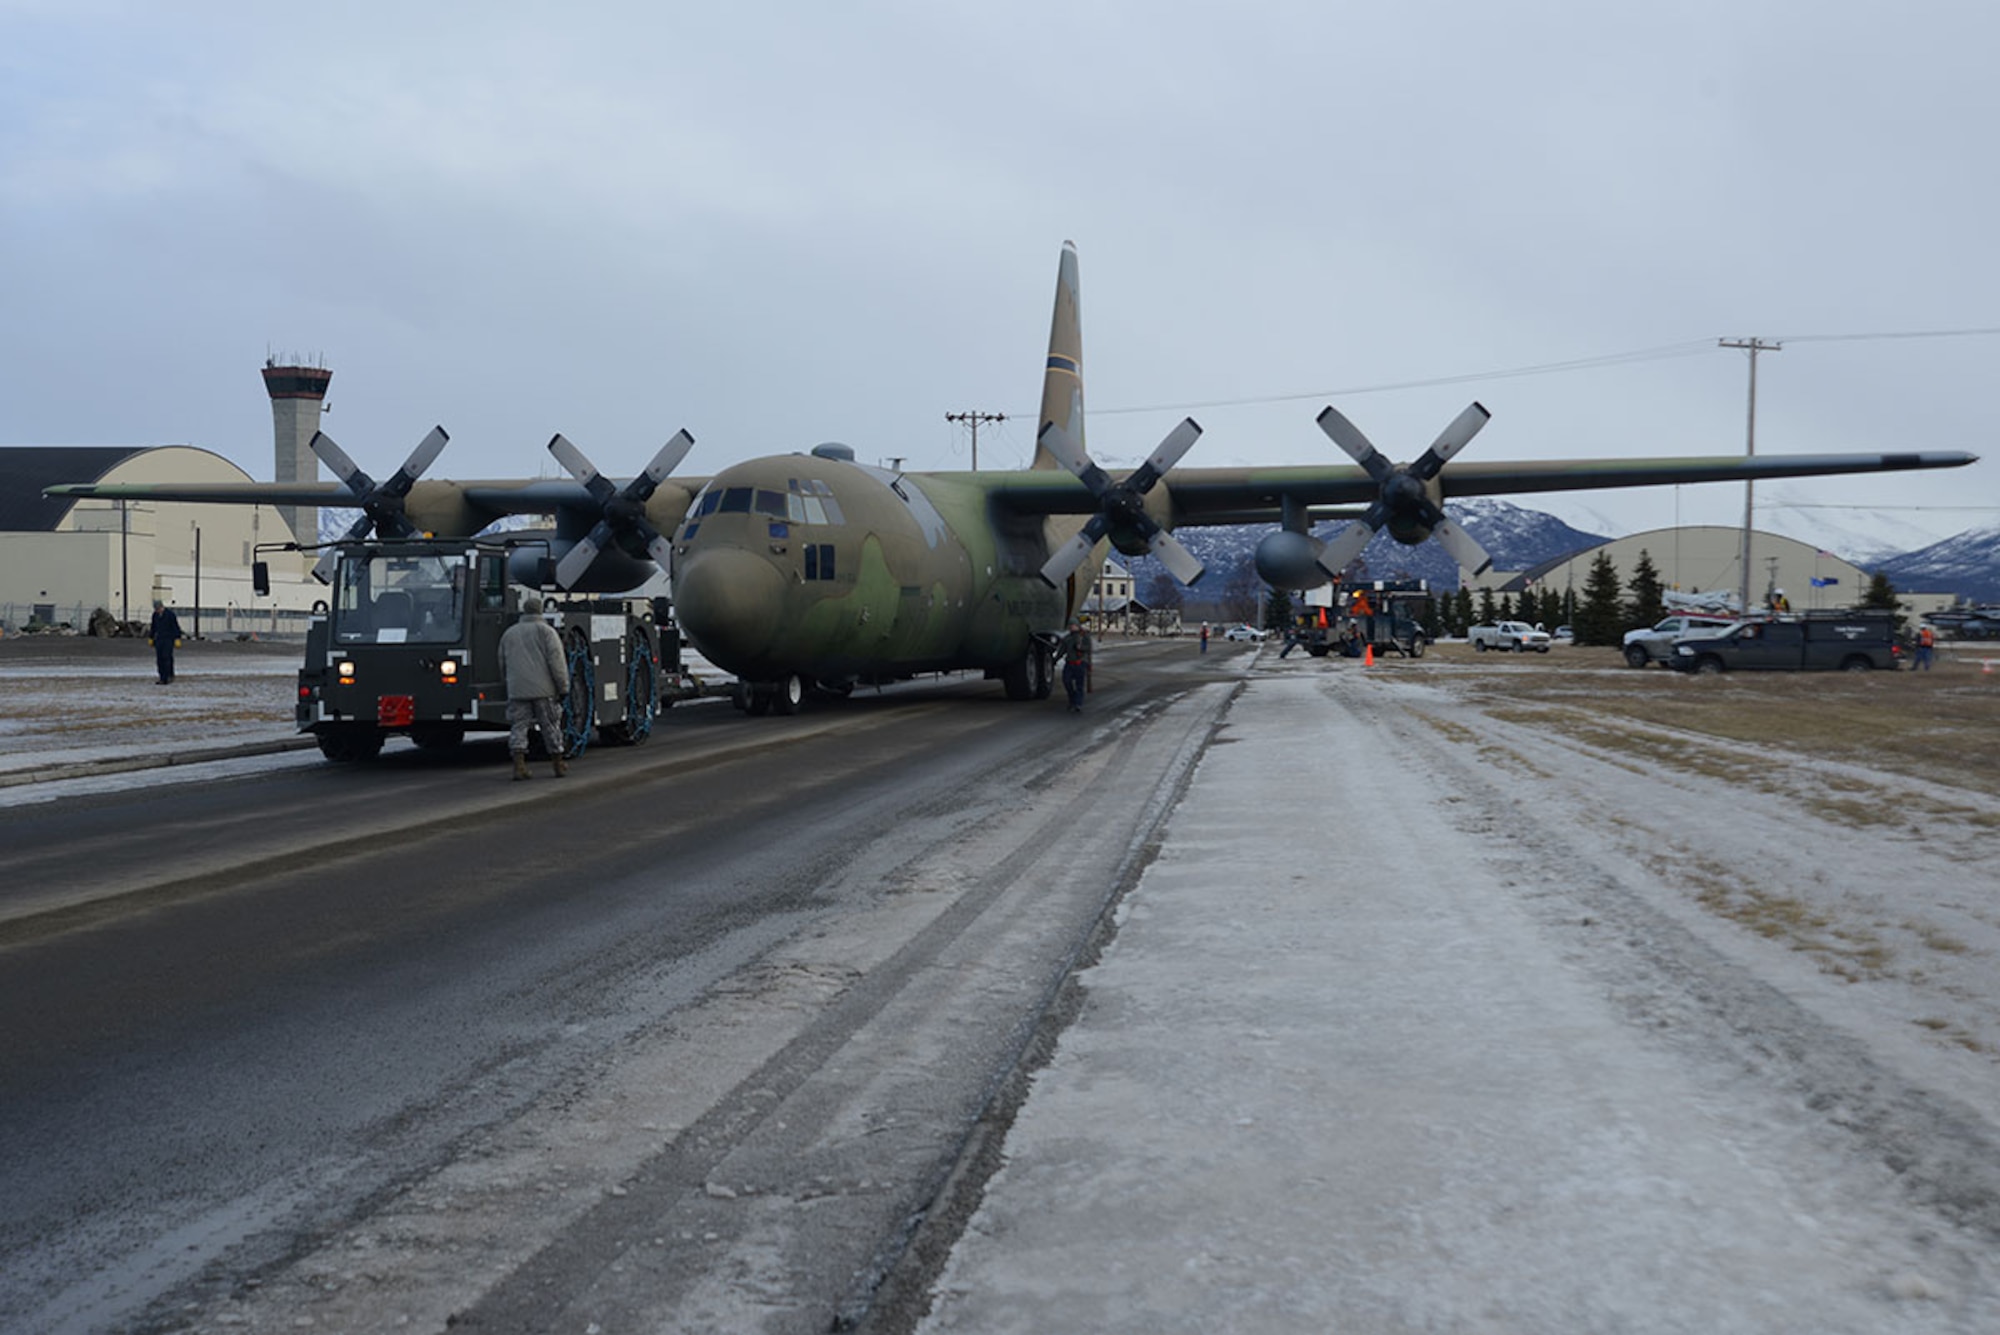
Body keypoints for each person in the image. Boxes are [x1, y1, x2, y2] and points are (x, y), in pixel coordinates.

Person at [497, 594, 572, 779]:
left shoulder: (509, 633)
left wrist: (508, 683)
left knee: (519, 727)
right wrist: (563, 688)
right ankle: (558, 764)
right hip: (544, 690)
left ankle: (519, 765)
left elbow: (501, 663)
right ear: (540, 611)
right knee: (550, 726)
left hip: (517, 689)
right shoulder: (547, 632)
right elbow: (557, 663)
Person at [1057, 617, 1092, 712]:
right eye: (1070, 626)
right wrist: (1055, 659)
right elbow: (1062, 650)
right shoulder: (1067, 638)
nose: (1072, 627)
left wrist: (1080, 648)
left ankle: (1078, 703)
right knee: (1066, 681)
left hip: (1080, 663)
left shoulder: (1083, 636)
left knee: (1079, 685)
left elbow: (1088, 648)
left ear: (1077, 626)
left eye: (1073, 625)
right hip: (1069, 663)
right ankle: (1072, 699)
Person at [147, 598, 184, 684]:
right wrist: (151, 637)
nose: (157, 611)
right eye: (156, 609)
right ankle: (162, 677)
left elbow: (175, 627)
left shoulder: (170, 615)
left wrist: (177, 638)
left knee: (166, 657)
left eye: (158, 609)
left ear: (162, 607)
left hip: (168, 639)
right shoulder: (155, 615)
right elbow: (153, 627)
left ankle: (168, 676)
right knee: (159, 659)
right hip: (159, 639)